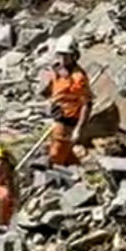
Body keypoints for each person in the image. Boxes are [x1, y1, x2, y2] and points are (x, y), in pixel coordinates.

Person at [42, 36, 90, 167]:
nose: (62, 60)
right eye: (60, 56)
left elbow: (86, 104)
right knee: (67, 155)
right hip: (56, 116)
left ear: (74, 56)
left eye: (66, 56)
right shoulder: (57, 71)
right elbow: (46, 92)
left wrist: (79, 129)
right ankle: (79, 173)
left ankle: (52, 180)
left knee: (56, 155)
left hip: (68, 121)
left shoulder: (78, 78)